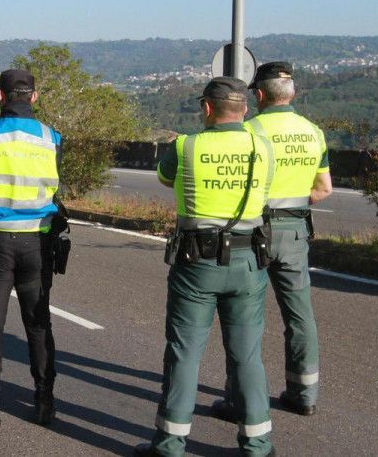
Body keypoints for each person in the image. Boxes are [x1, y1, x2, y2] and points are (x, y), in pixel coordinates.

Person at [136, 77, 276, 457]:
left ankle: (169, 446)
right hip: (249, 263)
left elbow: (166, 178)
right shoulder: (262, 147)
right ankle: (258, 445)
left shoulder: (184, 146)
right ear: (244, 109)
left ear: (207, 108)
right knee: (247, 355)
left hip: (197, 262)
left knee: (184, 353)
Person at [211, 62, 332, 422]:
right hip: (295, 231)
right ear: (291, 93)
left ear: (259, 95)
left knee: (244, 318)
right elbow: (323, 189)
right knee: (299, 314)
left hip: (253, 233)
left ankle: (239, 399)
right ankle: (304, 393)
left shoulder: (248, 131)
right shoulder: (314, 132)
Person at [0, 69, 63, 428]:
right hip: (37, 240)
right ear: (34, 97)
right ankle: (44, 402)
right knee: (38, 325)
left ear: (0, 96)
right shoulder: (52, 138)